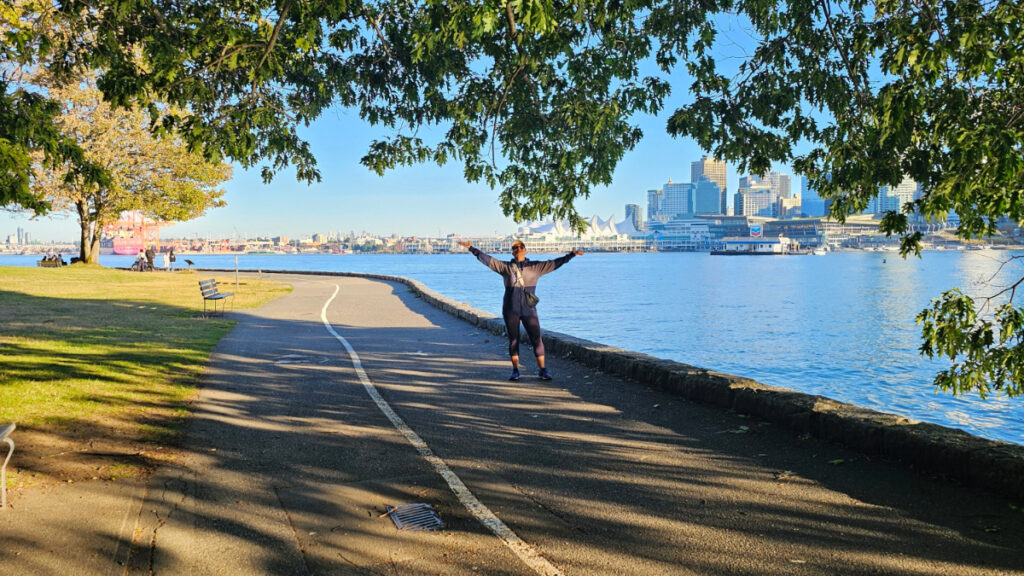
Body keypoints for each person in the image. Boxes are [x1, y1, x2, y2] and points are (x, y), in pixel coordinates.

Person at [458, 239, 583, 381]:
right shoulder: (506, 267)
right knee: (513, 340)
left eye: (521, 246)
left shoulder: (536, 267)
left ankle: (543, 370)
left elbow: (555, 263)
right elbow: (487, 260)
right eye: (515, 247)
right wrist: (471, 248)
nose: (518, 248)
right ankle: (515, 370)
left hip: (529, 310)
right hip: (511, 309)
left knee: (536, 339)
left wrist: (571, 255)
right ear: (512, 251)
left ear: (526, 250)